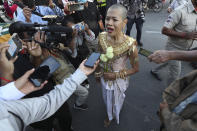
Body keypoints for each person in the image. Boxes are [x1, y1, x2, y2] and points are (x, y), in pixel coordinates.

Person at [0, 59, 99, 131]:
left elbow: (48, 103)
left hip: (48, 91)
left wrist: (13, 90)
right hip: (37, 114)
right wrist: (8, 80)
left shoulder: (17, 58)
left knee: (65, 118)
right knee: (46, 126)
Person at [95, 4, 139, 126]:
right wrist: (98, 73)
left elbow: (136, 69)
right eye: (107, 18)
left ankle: (112, 116)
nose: (109, 23)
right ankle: (110, 114)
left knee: (116, 101)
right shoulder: (102, 37)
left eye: (114, 19)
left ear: (124, 22)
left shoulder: (130, 44)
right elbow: (98, 56)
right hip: (104, 77)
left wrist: (116, 75)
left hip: (119, 80)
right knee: (106, 99)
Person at [151, 0, 197, 85]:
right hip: (174, 48)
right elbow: (164, 30)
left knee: (168, 60)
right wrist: (185, 35)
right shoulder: (180, 11)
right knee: (175, 74)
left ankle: (154, 70)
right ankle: (169, 94)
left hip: (188, 50)